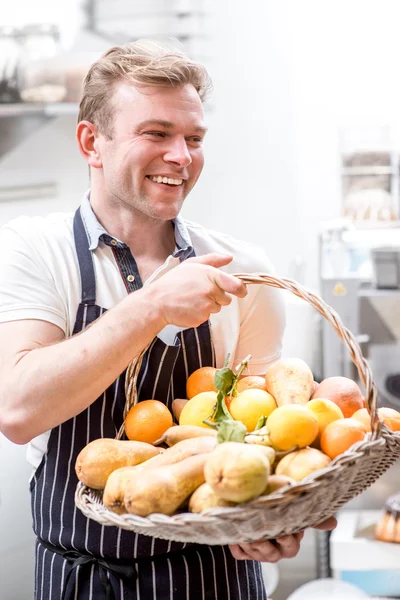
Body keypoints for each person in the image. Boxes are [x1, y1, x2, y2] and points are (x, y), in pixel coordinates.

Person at [0, 40, 336, 600]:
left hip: (214, 577)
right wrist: (153, 304)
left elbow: (268, 433)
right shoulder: (34, 251)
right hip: (77, 578)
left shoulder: (245, 271)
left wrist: (272, 520)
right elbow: (16, 410)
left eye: (195, 139)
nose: (182, 155)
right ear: (92, 142)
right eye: (156, 134)